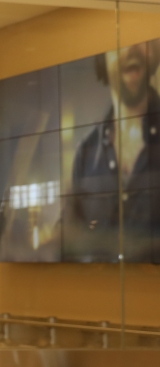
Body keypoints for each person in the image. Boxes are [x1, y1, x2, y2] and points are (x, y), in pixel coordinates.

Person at [67, 40, 160, 263]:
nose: (133, 49)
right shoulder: (85, 153)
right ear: (103, 61)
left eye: (143, 41)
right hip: (99, 294)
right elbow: (71, 241)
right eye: (120, 44)